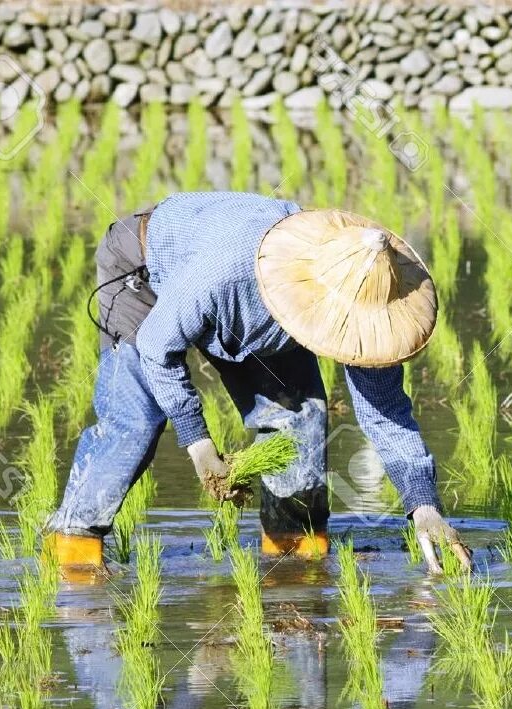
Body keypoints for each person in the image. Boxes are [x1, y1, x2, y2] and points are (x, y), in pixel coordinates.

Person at [44, 192, 472, 573]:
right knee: (136, 423)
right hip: (145, 271)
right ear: (313, 301)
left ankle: (294, 558)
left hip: (245, 301)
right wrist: (199, 445)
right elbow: (158, 346)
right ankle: (72, 551)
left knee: (299, 420)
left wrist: (424, 505)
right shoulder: (226, 276)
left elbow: (387, 413)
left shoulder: (372, 301)